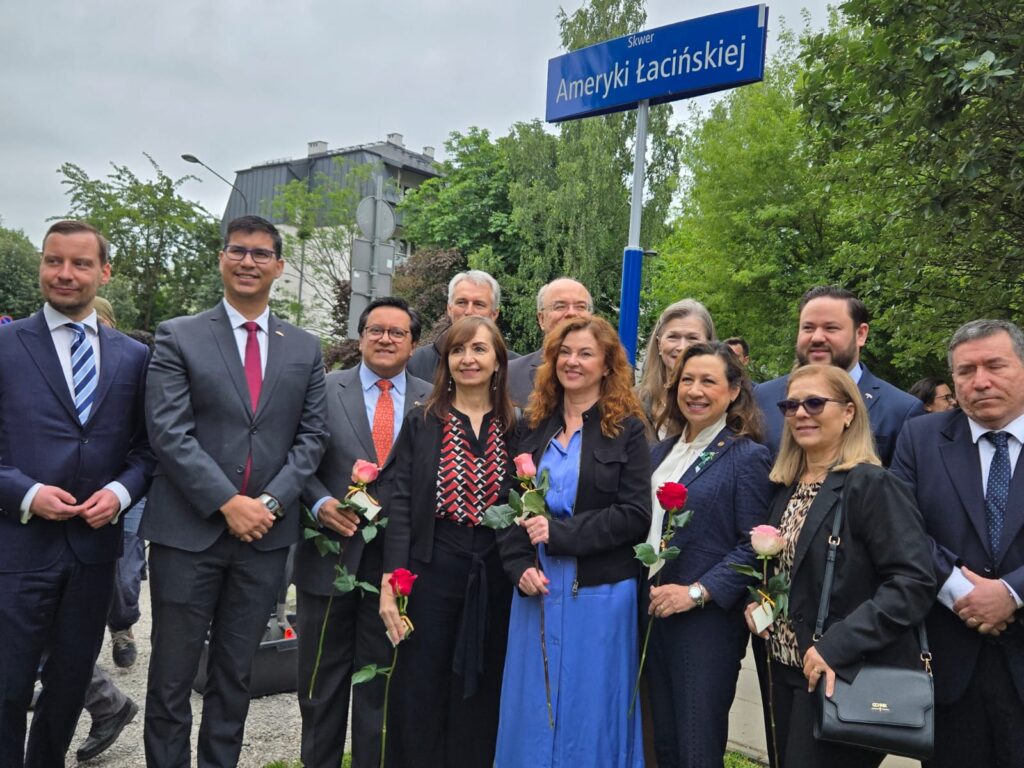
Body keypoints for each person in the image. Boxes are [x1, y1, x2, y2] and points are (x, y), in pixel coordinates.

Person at [141, 215, 329, 768]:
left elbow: (312, 438)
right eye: (238, 251)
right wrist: (227, 503)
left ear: (279, 265)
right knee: (172, 678)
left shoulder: (304, 347)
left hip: (264, 540)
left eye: (261, 253)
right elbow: (168, 433)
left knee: (235, 677)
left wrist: (268, 504)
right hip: (187, 534)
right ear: (222, 258)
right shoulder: (179, 335)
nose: (249, 261)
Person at [0, 220, 153, 767]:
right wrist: (27, 493)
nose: (65, 273)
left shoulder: (133, 357)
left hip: (93, 555)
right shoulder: (6, 346)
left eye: (80, 263)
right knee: (8, 688)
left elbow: (146, 451)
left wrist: (119, 492)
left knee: (67, 690)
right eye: (54, 261)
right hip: (18, 550)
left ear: (104, 272)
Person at [745, 364, 935, 767]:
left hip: (841, 674)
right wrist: (761, 603)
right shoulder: (787, 486)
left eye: (815, 403)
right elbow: (792, 570)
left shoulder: (872, 485)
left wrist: (838, 646)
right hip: (783, 670)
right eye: (791, 405)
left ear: (849, 412)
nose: (801, 413)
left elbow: (913, 582)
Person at [495, 315, 651, 768]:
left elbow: (635, 515)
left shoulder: (628, 430)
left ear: (607, 365)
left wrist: (560, 533)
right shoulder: (532, 426)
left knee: (591, 707)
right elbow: (508, 506)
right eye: (564, 352)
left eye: (586, 353)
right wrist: (519, 566)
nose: (572, 361)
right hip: (538, 590)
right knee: (533, 704)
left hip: (600, 593)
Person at [295, 297, 432, 768]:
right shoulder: (323, 388)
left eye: (397, 332)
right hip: (328, 558)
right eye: (376, 330)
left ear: (413, 343)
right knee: (320, 685)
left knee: (381, 689)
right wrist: (318, 503)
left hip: (396, 568)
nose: (385, 339)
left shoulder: (434, 399)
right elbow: (296, 457)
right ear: (361, 337)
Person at [379, 315, 517, 768]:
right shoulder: (423, 421)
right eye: (458, 350)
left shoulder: (517, 425)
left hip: (496, 574)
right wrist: (392, 583)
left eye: (479, 349)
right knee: (421, 686)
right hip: (432, 569)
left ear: (498, 360)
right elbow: (401, 504)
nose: (468, 359)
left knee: (483, 687)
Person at [891, 319, 1024, 767]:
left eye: (995, 366)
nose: (980, 381)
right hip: (950, 667)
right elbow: (900, 527)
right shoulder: (921, 437)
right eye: (966, 371)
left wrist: (1011, 592)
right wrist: (962, 592)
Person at [645, 342, 773, 768]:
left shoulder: (746, 456)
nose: (695, 391)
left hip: (705, 625)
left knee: (697, 748)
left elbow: (753, 546)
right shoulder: (659, 453)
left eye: (708, 381)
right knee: (663, 744)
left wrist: (697, 592)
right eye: (687, 380)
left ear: (734, 391)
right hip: (652, 616)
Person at [754, 286, 923, 466]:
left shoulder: (901, 410)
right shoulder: (763, 397)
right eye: (808, 328)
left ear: (861, 334)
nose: (817, 338)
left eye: (831, 328)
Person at [406, 270, 517, 382]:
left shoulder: (516, 368)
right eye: (461, 302)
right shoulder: (414, 364)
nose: (469, 311)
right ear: (449, 309)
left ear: (494, 314)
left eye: (479, 304)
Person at [507, 277, 593, 407]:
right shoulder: (509, 375)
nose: (571, 313)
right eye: (560, 306)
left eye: (580, 307)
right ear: (541, 319)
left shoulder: (611, 373)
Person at [636, 299, 715, 435]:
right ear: (659, 344)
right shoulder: (631, 401)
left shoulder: (720, 405)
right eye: (673, 337)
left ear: (709, 344)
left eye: (692, 338)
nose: (682, 347)